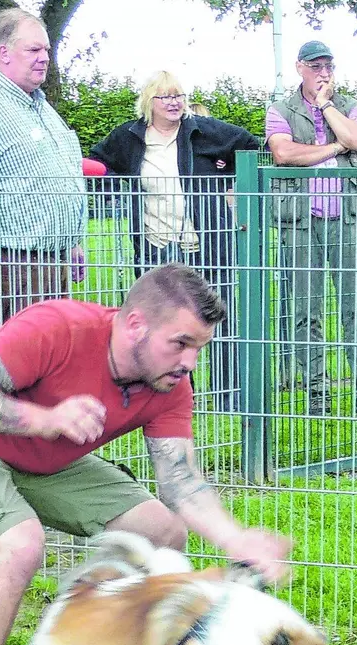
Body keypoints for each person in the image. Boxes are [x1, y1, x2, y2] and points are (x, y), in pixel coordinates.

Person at [0, 263, 294, 645]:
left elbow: (180, 482)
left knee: (161, 531)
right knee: (19, 544)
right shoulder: (57, 327)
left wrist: (234, 537)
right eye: (180, 343)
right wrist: (41, 417)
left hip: (40, 457)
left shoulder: (168, 386)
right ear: (136, 324)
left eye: (199, 348)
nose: (190, 362)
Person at [87, 71, 262, 412]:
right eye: (165, 97)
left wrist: (223, 173)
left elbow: (248, 145)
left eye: (178, 95)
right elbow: (101, 163)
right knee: (165, 321)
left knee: (216, 314)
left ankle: (228, 395)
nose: (174, 102)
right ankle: (177, 393)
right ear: (149, 102)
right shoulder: (129, 137)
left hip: (205, 238)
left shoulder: (202, 130)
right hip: (155, 239)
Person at [0, 7, 88, 340]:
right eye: (34, 50)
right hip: (14, 266)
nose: (44, 58)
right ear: (4, 53)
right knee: (14, 370)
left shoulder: (40, 105)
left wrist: (74, 242)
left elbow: (63, 176)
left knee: (52, 366)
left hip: (53, 260)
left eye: (47, 50)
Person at [264, 39, 357, 416]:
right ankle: (316, 394)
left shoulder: (350, 106)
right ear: (300, 68)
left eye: (328, 67)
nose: (323, 73)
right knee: (305, 312)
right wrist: (334, 149)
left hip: (346, 218)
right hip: (299, 220)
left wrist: (327, 106)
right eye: (315, 67)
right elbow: (284, 153)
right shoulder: (280, 110)